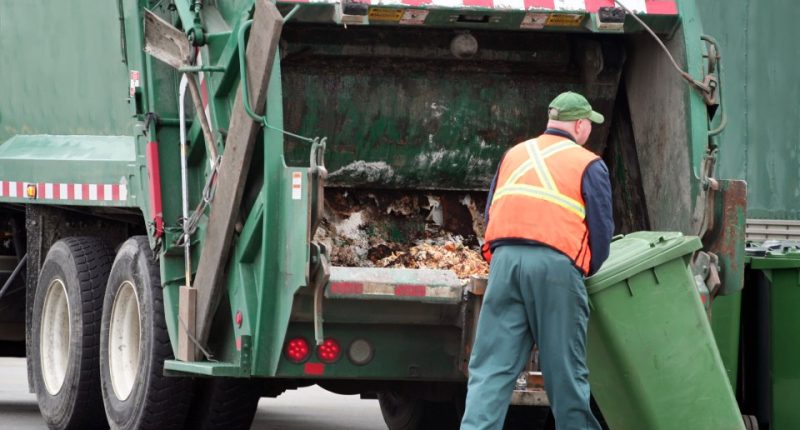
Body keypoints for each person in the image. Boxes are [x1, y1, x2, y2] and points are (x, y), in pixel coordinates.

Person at [461, 92, 614, 430]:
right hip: (555, 269)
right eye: (589, 124)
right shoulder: (587, 162)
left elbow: (491, 212)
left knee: (491, 369)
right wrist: (586, 270)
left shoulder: (514, 154)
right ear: (579, 125)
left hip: (505, 263)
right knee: (565, 373)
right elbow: (601, 231)